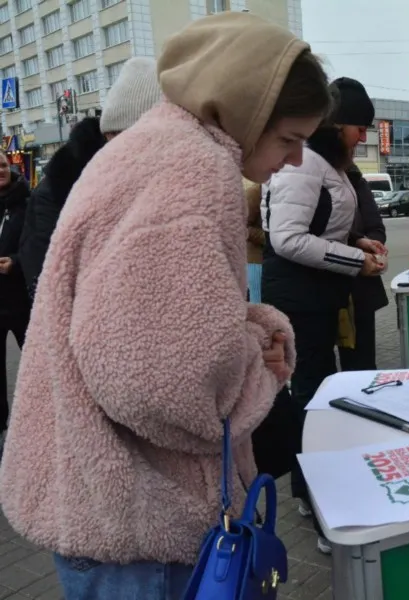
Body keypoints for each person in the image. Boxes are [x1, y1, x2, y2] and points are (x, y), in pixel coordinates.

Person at [0, 13, 333, 600]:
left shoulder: (155, 147)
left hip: (104, 508)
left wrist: (246, 333)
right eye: (289, 139)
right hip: (144, 526)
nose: (297, 160)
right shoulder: (193, 171)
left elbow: (139, 328)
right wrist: (258, 371)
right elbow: (160, 383)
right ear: (246, 113)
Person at [261, 76, 385, 554]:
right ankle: (312, 499)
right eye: (358, 127)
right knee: (310, 395)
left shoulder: (324, 163)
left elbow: (320, 227)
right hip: (299, 296)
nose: (363, 137)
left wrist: (357, 242)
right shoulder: (307, 163)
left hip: (320, 294)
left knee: (327, 392)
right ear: (336, 126)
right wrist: (356, 261)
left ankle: (328, 484)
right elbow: (287, 239)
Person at [18, 57, 162, 301]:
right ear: (111, 134)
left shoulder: (159, 178)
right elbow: (45, 277)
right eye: (139, 136)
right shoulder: (58, 189)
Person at [339, 160, 389, 371]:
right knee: (315, 366)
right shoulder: (305, 177)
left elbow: (377, 228)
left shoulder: (356, 181)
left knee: (361, 362)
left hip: (358, 287)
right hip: (316, 287)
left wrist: (366, 248)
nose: (360, 138)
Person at [0, 153, 30, 453]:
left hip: (21, 301)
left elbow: (40, 244)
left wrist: (16, 263)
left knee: (39, 364)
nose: (0, 170)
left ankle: (46, 423)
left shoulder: (27, 203)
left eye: (2, 164)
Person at [244, 179, 264, 303]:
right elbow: (241, 226)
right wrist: (269, 238)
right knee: (257, 302)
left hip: (271, 260)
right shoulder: (255, 192)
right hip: (255, 262)